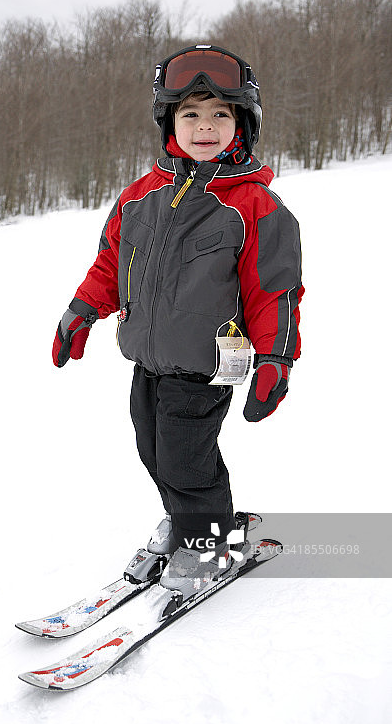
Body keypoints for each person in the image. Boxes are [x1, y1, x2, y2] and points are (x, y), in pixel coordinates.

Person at [52, 45, 303, 602]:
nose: (204, 126)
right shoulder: (140, 196)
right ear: (170, 123)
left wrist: (274, 360)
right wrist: (81, 312)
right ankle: (188, 521)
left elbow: (275, 294)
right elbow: (109, 265)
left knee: (187, 457)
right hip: (147, 356)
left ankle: (207, 539)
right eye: (190, 114)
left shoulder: (257, 207)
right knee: (154, 450)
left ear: (243, 123)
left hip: (207, 363)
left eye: (220, 113)